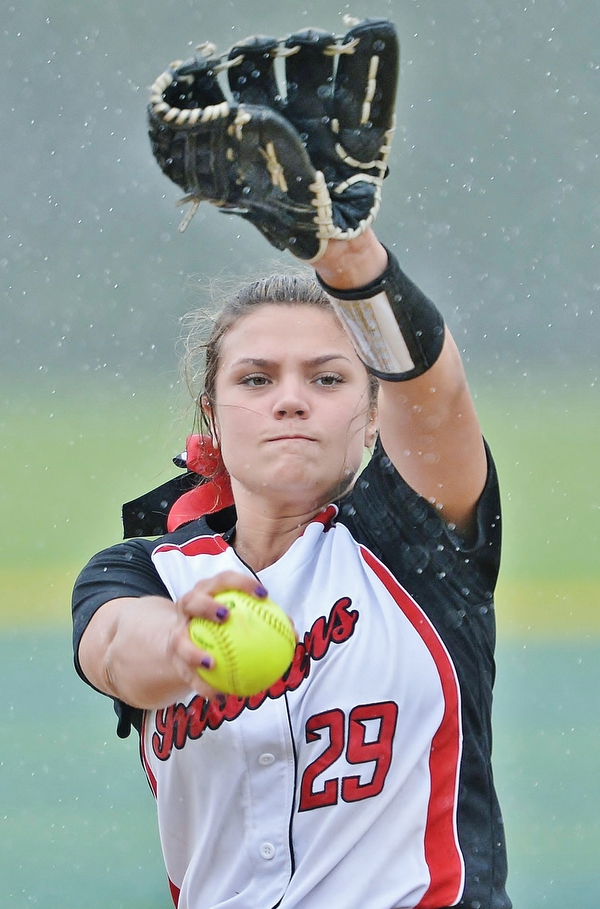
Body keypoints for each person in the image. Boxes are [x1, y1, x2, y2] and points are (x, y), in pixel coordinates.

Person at [72, 18, 511, 909]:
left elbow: (434, 397)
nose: (290, 397)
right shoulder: (149, 567)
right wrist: (183, 641)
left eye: (327, 376)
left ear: (369, 410)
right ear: (213, 410)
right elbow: (117, 652)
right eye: (256, 377)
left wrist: (345, 253)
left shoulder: (415, 545)